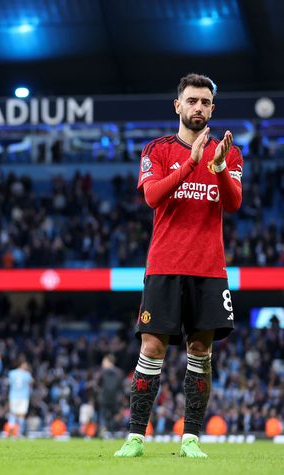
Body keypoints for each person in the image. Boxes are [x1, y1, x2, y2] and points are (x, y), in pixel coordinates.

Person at [114, 74, 243, 459]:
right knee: (152, 347)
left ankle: (191, 439)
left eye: (205, 102)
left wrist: (217, 165)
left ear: (212, 109)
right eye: (192, 101)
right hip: (165, 266)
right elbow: (152, 197)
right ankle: (136, 436)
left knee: (200, 349)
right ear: (178, 106)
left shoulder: (229, 153)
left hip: (209, 268)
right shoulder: (157, 150)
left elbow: (234, 204)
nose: (198, 107)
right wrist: (191, 162)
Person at [97, 354, 122, 437]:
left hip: (104, 397)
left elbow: (98, 383)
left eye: (104, 361)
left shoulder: (102, 372)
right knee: (113, 417)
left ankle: (103, 429)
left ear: (108, 362)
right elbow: (120, 386)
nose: (102, 363)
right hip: (115, 398)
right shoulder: (119, 372)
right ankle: (112, 434)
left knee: (103, 416)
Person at [7, 359, 33, 437]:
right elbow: (32, 382)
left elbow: (9, 383)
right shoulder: (27, 374)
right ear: (21, 365)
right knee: (21, 415)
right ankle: (19, 432)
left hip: (13, 396)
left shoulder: (11, 373)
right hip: (23, 396)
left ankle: (10, 431)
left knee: (13, 414)